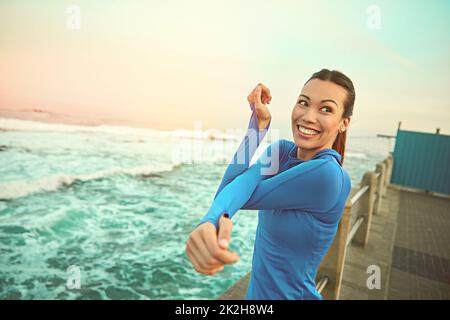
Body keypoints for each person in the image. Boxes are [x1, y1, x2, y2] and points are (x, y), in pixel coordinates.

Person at [185, 69, 354, 299]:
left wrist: (214, 218)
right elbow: (235, 185)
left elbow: (241, 193)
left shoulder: (328, 176)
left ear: (343, 123)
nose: (308, 116)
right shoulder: (283, 152)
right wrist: (258, 125)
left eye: (326, 109)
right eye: (303, 103)